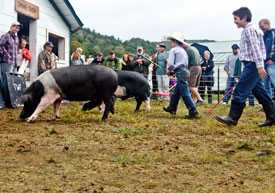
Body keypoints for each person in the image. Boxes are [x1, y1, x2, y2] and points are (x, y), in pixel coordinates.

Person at [216, 7, 275, 127]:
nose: (234, 21)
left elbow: (256, 49)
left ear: (244, 18)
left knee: (240, 89)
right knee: (260, 92)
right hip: (253, 64)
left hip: (252, 64)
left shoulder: (249, 30)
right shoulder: (251, 30)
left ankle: (232, 118)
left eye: (236, 19)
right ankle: (272, 117)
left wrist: (259, 66)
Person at [163, 32, 199, 119]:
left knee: (185, 93)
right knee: (176, 92)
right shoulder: (183, 50)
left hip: (180, 72)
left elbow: (171, 64)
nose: (171, 43)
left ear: (175, 42)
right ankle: (172, 107)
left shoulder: (173, 50)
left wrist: (169, 71)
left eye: (172, 41)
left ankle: (193, 111)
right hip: (185, 71)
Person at [0, 22, 20, 109]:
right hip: (5, 62)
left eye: (18, 28)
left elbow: (16, 51)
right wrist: (6, 54)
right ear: (11, 27)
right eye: (15, 27)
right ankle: (2, 102)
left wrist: (16, 63)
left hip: (13, 63)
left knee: (10, 83)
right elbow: (0, 46)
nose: (17, 29)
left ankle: (9, 102)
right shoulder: (6, 36)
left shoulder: (16, 38)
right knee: (4, 82)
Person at [259, 19, 275, 99]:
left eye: (262, 26)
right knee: (266, 85)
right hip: (264, 64)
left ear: (267, 24)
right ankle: (269, 105)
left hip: (272, 63)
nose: (261, 28)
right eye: (260, 27)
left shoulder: (273, 33)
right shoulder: (263, 36)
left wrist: (273, 59)